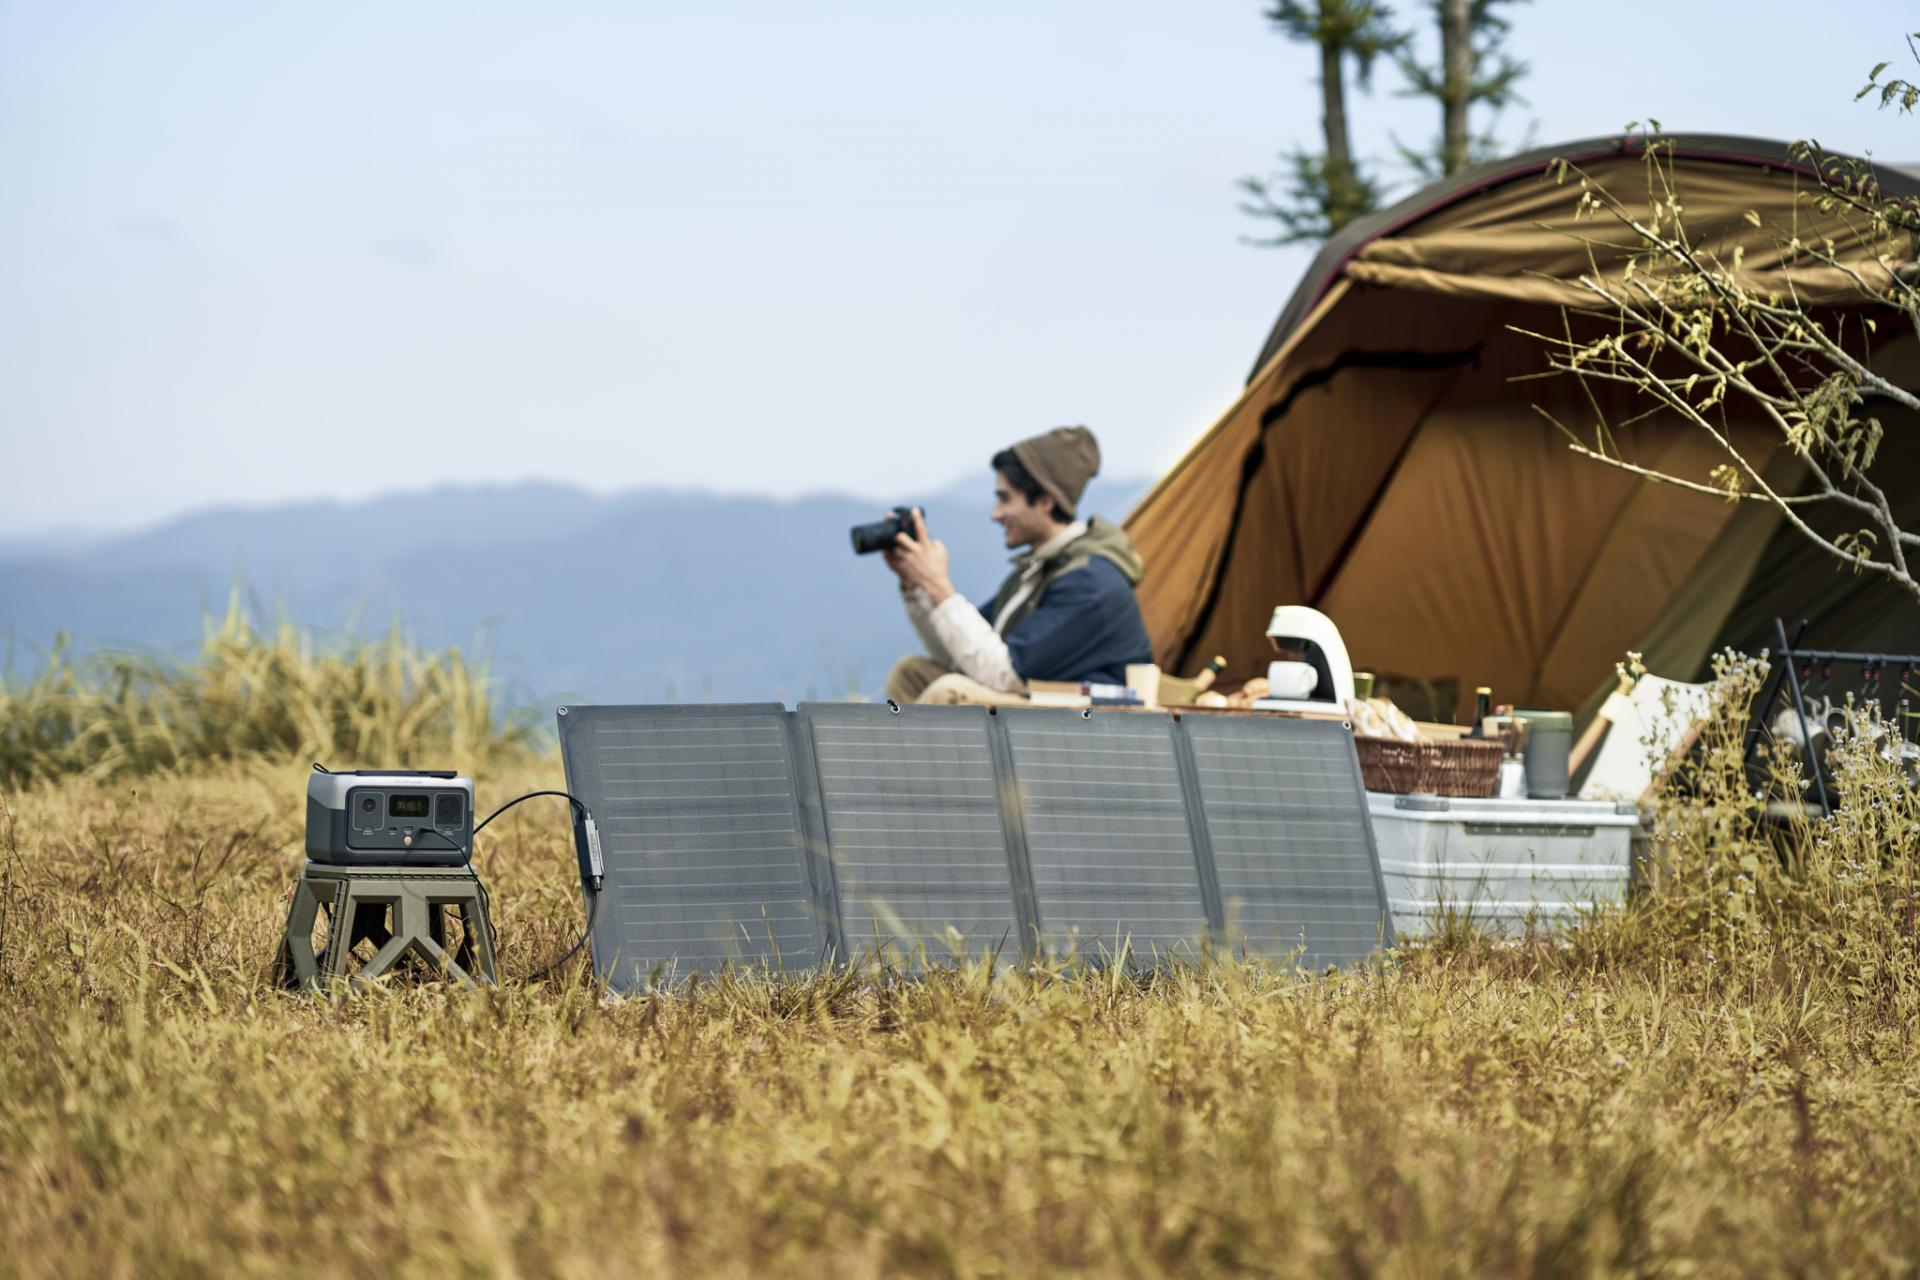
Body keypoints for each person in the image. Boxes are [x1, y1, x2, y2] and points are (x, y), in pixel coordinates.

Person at [881, 425, 1152, 706]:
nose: (995, 514)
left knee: (951, 692)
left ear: (1045, 503)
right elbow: (959, 654)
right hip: (1038, 704)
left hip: (1090, 720)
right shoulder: (1038, 571)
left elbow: (1006, 674)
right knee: (910, 673)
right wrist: (918, 585)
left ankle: (908, 750)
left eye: (1005, 498)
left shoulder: (1090, 582)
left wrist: (939, 586)